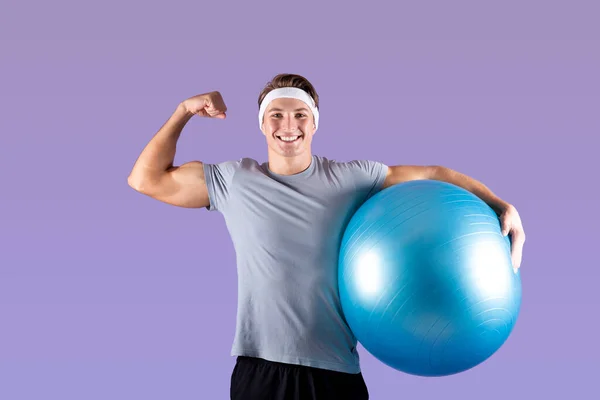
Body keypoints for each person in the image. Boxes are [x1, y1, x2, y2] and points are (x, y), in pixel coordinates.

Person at [127, 73, 526, 400]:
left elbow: (434, 175)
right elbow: (145, 179)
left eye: (300, 115)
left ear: (314, 122)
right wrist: (183, 111)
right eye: (277, 115)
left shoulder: (352, 178)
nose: (288, 126)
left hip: (335, 373)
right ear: (262, 123)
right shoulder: (234, 180)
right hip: (261, 372)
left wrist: (499, 204)